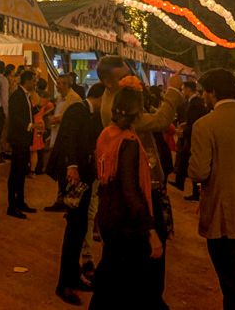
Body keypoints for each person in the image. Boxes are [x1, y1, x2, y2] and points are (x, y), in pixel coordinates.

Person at [97, 56, 183, 309]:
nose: (131, 81)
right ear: (108, 83)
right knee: (141, 261)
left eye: (130, 76)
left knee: (116, 265)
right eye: (124, 78)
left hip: (119, 206)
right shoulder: (125, 125)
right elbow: (130, 188)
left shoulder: (115, 117)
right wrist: (174, 91)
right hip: (138, 201)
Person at [189, 68, 235, 310]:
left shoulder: (204, 125)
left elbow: (199, 172)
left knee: (232, 287)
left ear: (212, 93)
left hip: (225, 220)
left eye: (204, 93)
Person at [90, 76, 163, 310]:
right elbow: (130, 189)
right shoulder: (129, 141)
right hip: (126, 222)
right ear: (138, 113)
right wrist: (149, 228)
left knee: (110, 273)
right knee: (127, 283)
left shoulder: (106, 135)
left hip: (108, 214)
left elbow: (103, 175)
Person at [47, 82, 104, 306]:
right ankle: (64, 284)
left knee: (80, 229)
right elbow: (68, 139)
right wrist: (72, 166)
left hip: (85, 179)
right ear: (100, 98)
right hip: (73, 178)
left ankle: (73, 276)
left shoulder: (91, 115)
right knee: (73, 231)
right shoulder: (78, 109)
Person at [44, 74, 82, 212]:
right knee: (59, 172)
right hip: (56, 137)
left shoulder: (75, 99)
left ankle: (67, 201)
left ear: (66, 85)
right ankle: (62, 199)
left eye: (59, 83)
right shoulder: (59, 98)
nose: (57, 86)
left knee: (64, 171)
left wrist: (57, 119)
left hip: (66, 140)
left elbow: (71, 119)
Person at [80, 83, 106, 282]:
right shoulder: (87, 113)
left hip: (101, 174)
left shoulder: (101, 116)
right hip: (93, 173)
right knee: (89, 213)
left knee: (92, 212)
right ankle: (87, 258)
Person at [6, 70, 39, 218]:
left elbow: (27, 113)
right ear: (26, 81)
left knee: (21, 173)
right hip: (18, 139)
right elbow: (16, 117)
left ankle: (20, 202)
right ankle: (12, 206)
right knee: (16, 173)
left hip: (24, 139)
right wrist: (30, 125)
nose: (35, 83)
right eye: (33, 80)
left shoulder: (25, 95)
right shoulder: (17, 96)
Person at [172, 81, 208, 201]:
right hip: (192, 135)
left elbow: (195, 123)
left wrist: (184, 131)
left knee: (193, 161)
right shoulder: (194, 102)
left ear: (188, 89)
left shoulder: (194, 103)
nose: (182, 92)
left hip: (193, 138)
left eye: (183, 89)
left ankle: (195, 192)